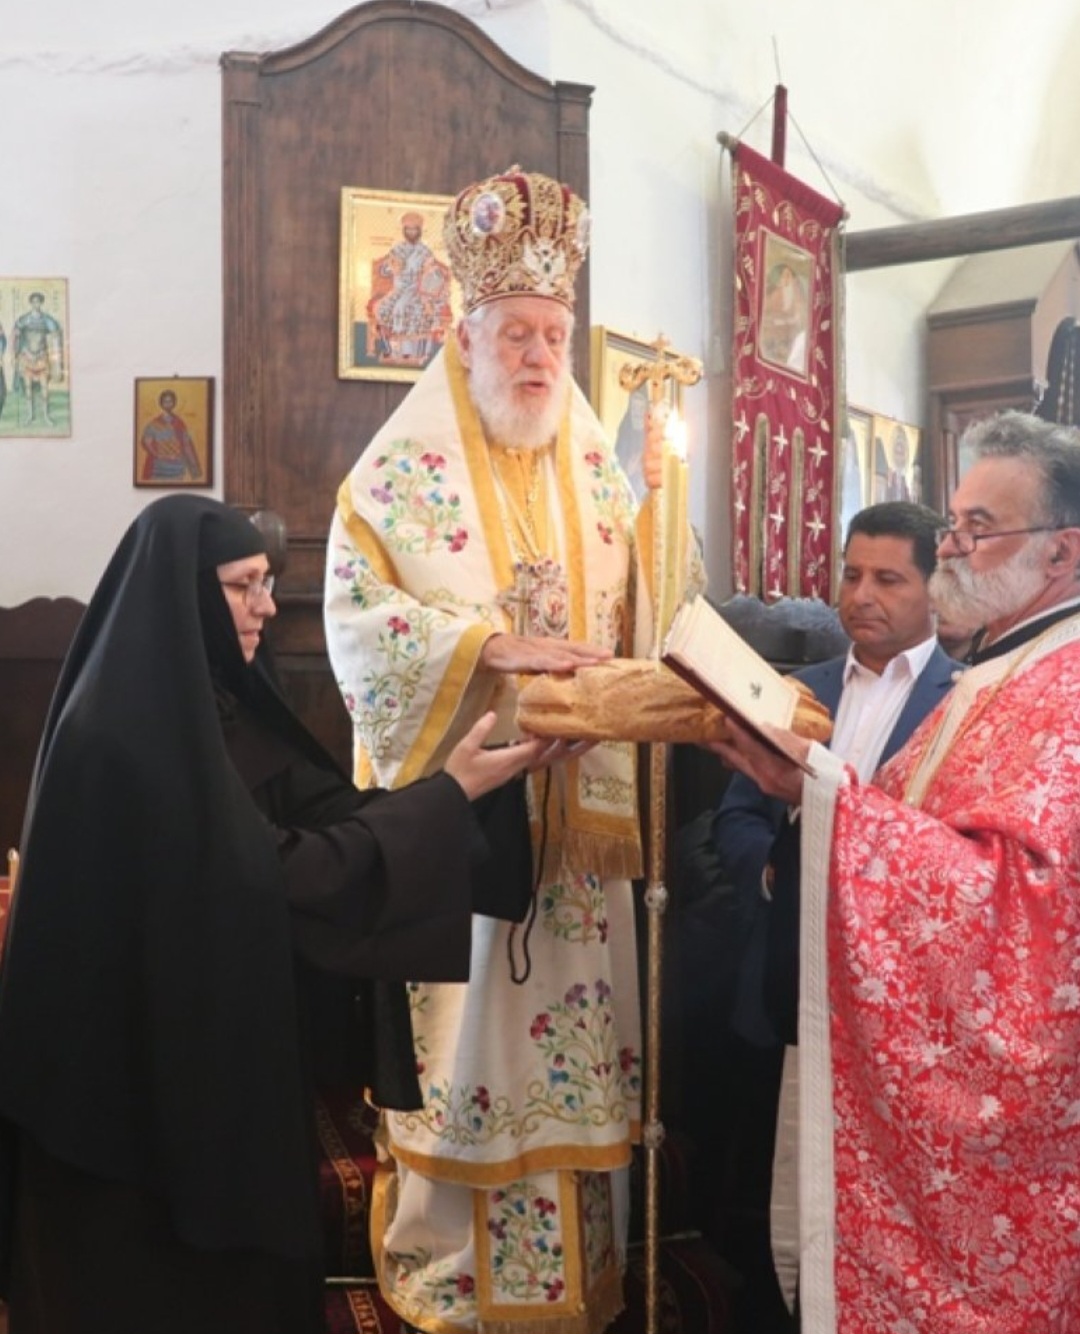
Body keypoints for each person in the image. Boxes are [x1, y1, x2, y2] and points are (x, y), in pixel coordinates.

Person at [0, 493, 569, 1334]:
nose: (267, 606)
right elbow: (268, 873)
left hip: (219, 1064)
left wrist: (467, 790)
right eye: (243, 586)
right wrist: (444, 800)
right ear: (184, 595)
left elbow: (330, 817)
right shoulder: (116, 740)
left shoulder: (224, 705)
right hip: (129, 1096)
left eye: (266, 582)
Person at [325, 165, 698, 1334]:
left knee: (577, 1044)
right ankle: (458, 1280)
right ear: (466, 334)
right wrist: (488, 647)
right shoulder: (401, 468)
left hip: (577, 843)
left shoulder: (592, 463)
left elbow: (649, 615)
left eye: (552, 334)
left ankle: (577, 1277)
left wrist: (664, 525)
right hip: (473, 819)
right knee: (475, 1040)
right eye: (516, 334)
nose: (539, 356)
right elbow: (358, 616)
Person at [709, 410, 1080, 1333]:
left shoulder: (1065, 685)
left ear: (1063, 551)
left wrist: (821, 792)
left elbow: (1022, 905)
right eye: (953, 523)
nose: (951, 546)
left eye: (977, 528)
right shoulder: (1005, 667)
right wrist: (813, 795)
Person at [704, 502, 958, 1324]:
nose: (862, 596)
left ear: (933, 588)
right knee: (763, 1183)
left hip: (896, 996)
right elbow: (737, 818)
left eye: (888, 579)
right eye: (851, 575)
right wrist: (778, 875)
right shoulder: (797, 691)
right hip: (785, 971)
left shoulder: (961, 700)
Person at [366, 210, 452, 366]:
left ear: (419, 231)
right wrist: (391, 268)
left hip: (417, 291)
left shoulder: (424, 251)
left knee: (406, 309)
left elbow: (434, 274)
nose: (411, 232)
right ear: (404, 230)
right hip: (398, 290)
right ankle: (392, 351)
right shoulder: (397, 249)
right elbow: (384, 269)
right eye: (409, 229)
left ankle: (412, 353)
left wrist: (427, 271)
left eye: (414, 229)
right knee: (384, 308)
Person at [12, 290, 63, 426]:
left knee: (44, 389)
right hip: (27, 357)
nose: (36, 304)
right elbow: (16, 335)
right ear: (31, 303)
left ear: (41, 303)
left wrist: (56, 359)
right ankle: (30, 416)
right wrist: (15, 352)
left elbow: (55, 335)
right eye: (34, 301)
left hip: (41, 357)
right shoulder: (24, 319)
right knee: (28, 388)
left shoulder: (47, 320)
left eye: (38, 301)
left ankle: (46, 416)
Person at [139, 388, 203, 483]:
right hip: (159, 467)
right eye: (165, 401)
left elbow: (187, 445)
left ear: (174, 403)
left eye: (170, 401)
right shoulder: (154, 423)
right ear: (161, 403)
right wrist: (157, 454)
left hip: (177, 467)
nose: (168, 404)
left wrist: (195, 471)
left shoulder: (179, 423)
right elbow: (146, 441)